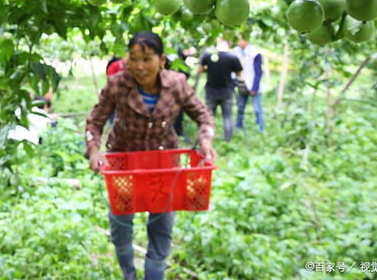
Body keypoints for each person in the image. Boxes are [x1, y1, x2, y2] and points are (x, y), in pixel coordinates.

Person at [86, 32, 216, 280]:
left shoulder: (176, 84)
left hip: (163, 166)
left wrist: (206, 139)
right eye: (133, 58)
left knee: (162, 227)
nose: (139, 66)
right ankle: (128, 274)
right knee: (121, 226)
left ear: (162, 59)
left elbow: (203, 115)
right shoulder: (117, 84)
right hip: (124, 165)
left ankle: (154, 275)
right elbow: (95, 121)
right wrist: (94, 149)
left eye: (146, 58)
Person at [198, 37, 243, 143]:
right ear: (230, 43)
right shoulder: (232, 57)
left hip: (211, 91)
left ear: (218, 41)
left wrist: (209, 69)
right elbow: (239, 73)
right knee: (227, 117)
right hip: (226, 92)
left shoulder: (208, 55)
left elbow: (200, 69)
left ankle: (208, 140)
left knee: (209, 118)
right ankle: (228, 141)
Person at [234, 33, 265, 132]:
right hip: (241, 84)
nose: (238, 42)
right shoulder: (236, 51)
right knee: (240, 107)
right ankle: (238, 126)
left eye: (240, 39)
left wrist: (254, 88)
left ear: (246, 40)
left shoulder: (255, 53)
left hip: (252, 84)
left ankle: (260, 128)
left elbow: (258, 72)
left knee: (257, 108)